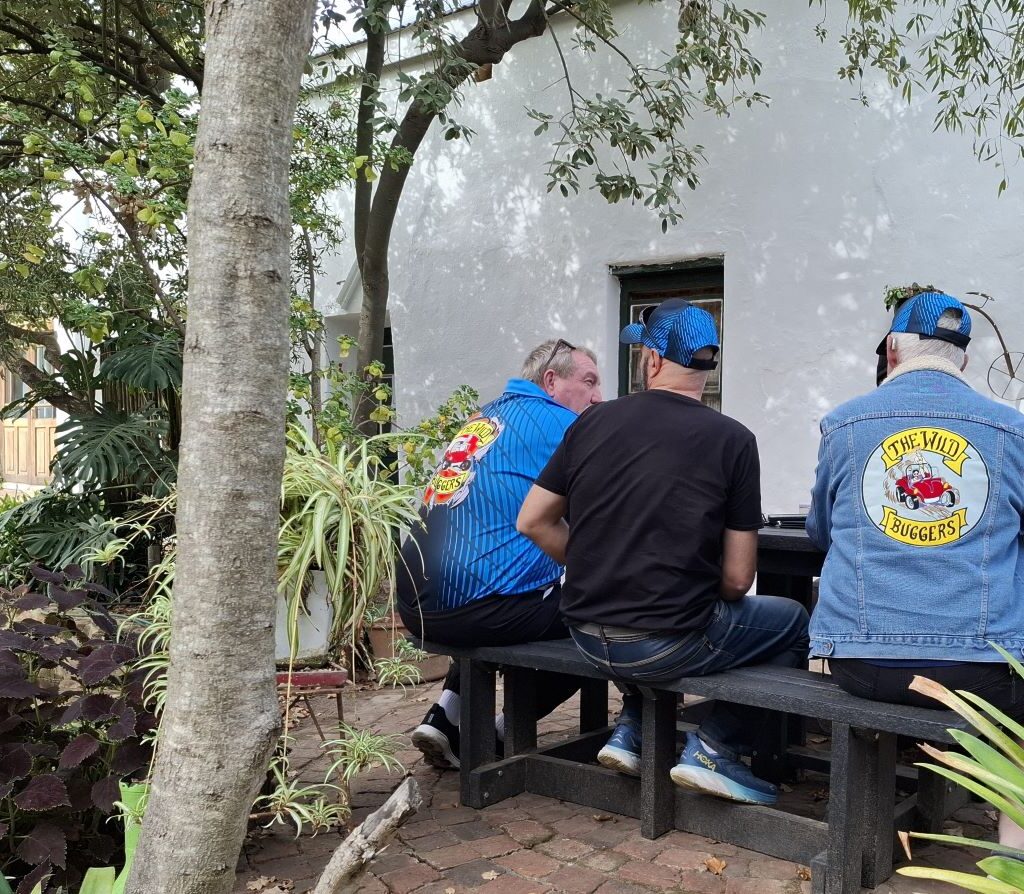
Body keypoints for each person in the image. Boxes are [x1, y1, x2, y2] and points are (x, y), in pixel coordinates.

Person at [517, 299, 809, 806]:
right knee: (795, 623)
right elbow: (740, 580)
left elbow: (532, 520)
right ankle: (717, 744)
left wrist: (596, 563)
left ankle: (632, 728)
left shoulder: (589, 423)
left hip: (586, 635)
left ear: (651, 359)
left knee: (658, 612)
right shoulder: (733, 440)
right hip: (664, 644)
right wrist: (684, 582)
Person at [807, 291, 1024, 849]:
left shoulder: (845, 424)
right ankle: (1012, 849)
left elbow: (819, 533)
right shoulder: (1012, 431)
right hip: (979, 674)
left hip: (861, 663)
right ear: (965, 362)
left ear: (894, 351)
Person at [399, 339, 603, 769]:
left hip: (415, 605)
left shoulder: (486, 415)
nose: (598, 396)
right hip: (481, 610)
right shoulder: (564, 424)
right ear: (551, 380)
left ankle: (446, 714)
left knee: (493, 579)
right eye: (589, 381)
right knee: (602, 613)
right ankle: (499, 731)